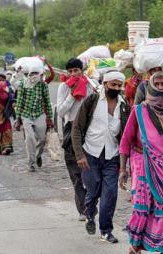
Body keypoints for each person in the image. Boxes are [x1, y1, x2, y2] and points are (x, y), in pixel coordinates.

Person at [119, 71, 163, 254]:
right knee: (144, 210)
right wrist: (123, 169)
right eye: (158, 85)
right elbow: (125, 141)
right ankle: (135, 246)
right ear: (151, 87)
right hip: (142, 166)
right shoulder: (139, 111)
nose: (161, 88)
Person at [71, 71, 131, 244]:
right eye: (113, 85)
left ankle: (106, 230)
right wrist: (79, 155)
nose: (116, 88)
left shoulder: (124, 106)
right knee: (93, 190)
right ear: (105, 85)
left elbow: (125, 137)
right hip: (90, 154)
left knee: (110, 194)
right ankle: (89, 213)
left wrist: (124, 165)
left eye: (119, 85)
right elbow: (76, 129)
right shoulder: (92, 102)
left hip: (112, 156)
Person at [57, 58, 95, 221]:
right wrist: (73, 95)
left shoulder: (90, 85)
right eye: (70, 71)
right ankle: (83, 209)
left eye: (76, 71)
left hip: (89, 129)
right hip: (71, 128)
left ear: (82, 70)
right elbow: (61, 111)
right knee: (76, 172)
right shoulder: (63, 87)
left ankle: (92, 201)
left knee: (91, 169)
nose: (73, 74)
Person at [15, 68, 53, 172]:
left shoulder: (43, 85)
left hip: (39, 114)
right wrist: (18, 119)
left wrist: (50, 118)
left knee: (42, 139)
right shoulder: (23, 84)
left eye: (36, 73)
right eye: (32, 73)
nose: (34, 75)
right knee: (30, 138)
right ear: (29, 74)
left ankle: (37, 155)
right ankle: (31, 163)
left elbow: (47, 102)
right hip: (26, 115)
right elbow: (19, 102)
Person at [0, 73, 15, 155]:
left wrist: (13, 101)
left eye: (3, 80)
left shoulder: (8, 89)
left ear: (5, 81)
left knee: (7, 130)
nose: (1, 82)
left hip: (5, 113)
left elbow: (12, 100)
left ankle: (7, 147)